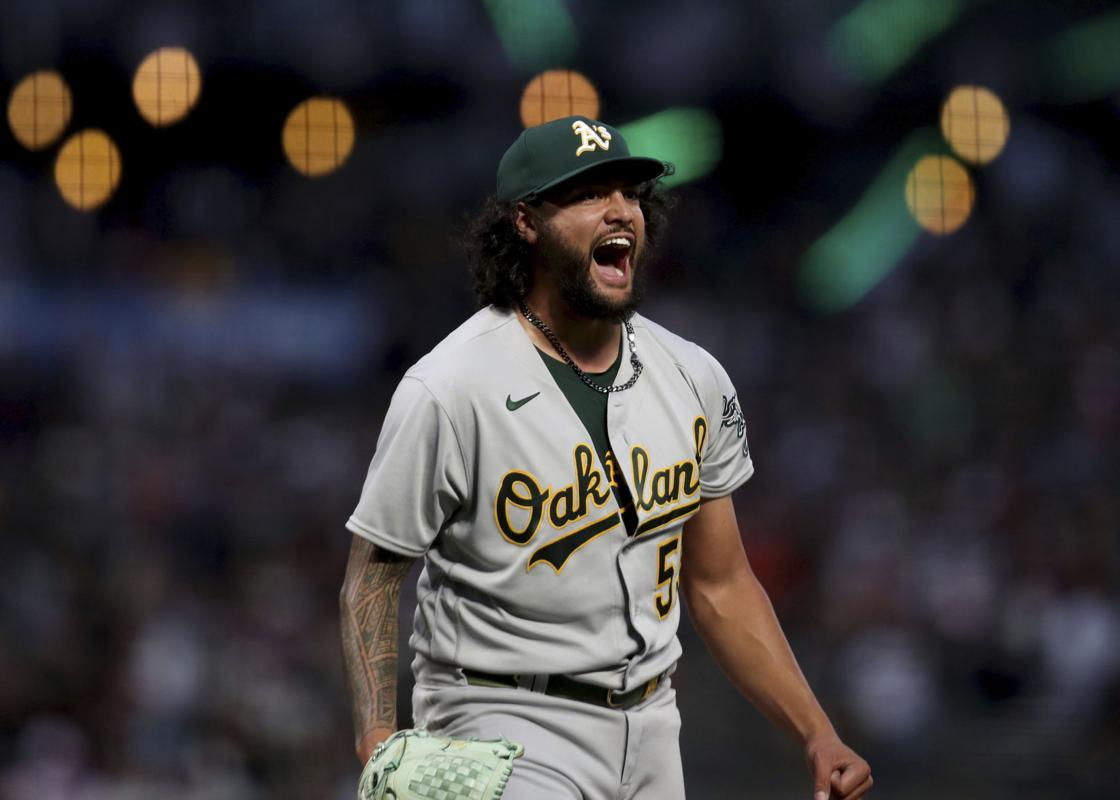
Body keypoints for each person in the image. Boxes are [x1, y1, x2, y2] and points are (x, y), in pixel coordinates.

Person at [339, 115, 873, 799]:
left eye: (628, 191)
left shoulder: (691, 375)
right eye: (590, 193)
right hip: (498, 723)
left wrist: (816, 732)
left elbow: (720, 585)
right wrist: (377, 738)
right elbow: (374, 577)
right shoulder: (449, 388)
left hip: (653, 726)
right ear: (527, 222)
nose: (621, 208)